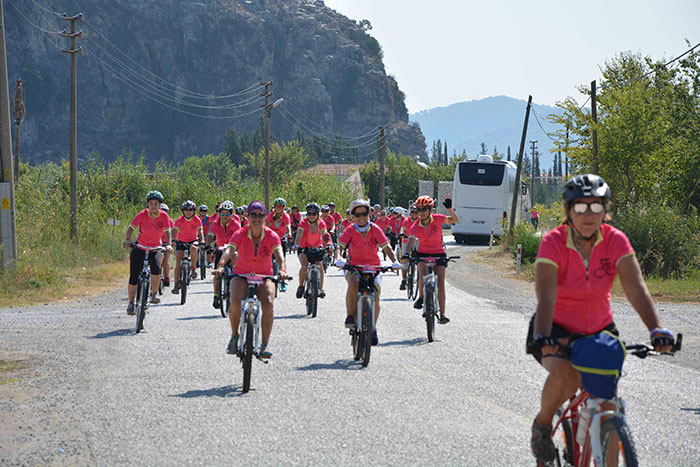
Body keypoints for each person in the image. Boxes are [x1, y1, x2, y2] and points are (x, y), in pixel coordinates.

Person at [526, 174, 674, 463]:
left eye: (596, 207)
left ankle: (606, 438)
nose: (588, 215)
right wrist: (543, 338)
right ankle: (542, 425)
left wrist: (656, 329)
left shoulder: (616, 240)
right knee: (568, 377)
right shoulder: (552, 242)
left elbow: (636, 288)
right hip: (555, 326)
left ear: (606, 210)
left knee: (607, 396)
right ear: (568, 211)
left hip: (599, 328)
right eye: (580, 207)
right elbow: (546, 296)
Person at [214, 201, 287, 359]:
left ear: (265, 217)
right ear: (247, 216)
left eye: (260, 215)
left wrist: (282, 269)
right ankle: (234, 336)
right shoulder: (240, 233)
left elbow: (279, 255)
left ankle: (265, 344)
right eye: (253, 215)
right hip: (241, 274)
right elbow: (229, 250)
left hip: (264, 275)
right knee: (235, 300)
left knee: (268, 301)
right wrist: (221, 265)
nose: (257, 218)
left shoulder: (271, 235)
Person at [335, 199, 400, 346]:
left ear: (369, 213)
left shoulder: (375, 229)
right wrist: (339, 258)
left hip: (374, 267)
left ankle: (372, 328)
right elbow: (340, 246)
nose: (361, 217)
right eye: (357, 215)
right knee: (353, 283)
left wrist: (394, 260)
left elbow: (386, 247)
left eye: (364, 213)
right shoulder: (350, 229)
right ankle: (350, 316)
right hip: (354, 267)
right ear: (353, 216)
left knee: (376, 296)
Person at [405, 195, 459, 324]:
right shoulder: (415, 226)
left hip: (439, 253)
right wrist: (406, 254)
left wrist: (450, 208)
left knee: (440, 283)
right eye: (418, 210)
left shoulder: (438, 219)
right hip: (423, 253)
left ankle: (442, 314)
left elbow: (455, 220)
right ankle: (422, 297)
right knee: (422, 274)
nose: (421, 212)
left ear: (430, 209)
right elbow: (410, 242)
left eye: (424, 209)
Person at [123, 191, 172, 313]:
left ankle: (154, 294)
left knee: (156, 268)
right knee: (134, 276)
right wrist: (127, 240)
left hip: (155, 247)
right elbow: (131, 228)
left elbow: (167, 232)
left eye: (156, 204)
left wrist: (169, 245)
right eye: (151, 203)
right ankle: (131, 302)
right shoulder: (142, 214)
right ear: (148, 204)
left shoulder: (164, 216)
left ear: (160, 205)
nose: (153, 206)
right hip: (140, 246)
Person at [293, 202, 332, 299]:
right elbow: (299, 234)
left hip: (317, 247)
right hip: (304, 248)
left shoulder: (321, 222)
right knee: (304, 266)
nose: (311, 216)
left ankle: (320, 289)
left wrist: (329, 244)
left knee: (320, 266)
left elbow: (325, 234)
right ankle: (301, 286)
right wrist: (296, 244)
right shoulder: (303, 222)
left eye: (314, 214)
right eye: (309, 214)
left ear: (318, 214)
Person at [206, 200, 241, 309]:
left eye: (227, 214)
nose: (224, 216)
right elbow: (210, 236)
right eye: (222, 213)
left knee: (235, 254)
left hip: (232, 248)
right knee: (217, 273)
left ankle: (236, 273)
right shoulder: (215, 223)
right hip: (220, 250)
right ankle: (216, 295)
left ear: (231, 215)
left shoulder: (235, 224)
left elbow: (240, 237)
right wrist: (207, 244)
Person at [171, 200, 204, 293]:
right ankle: (176, 285)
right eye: (186, 210)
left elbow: (200, 232)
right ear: (183, 211)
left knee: (194, 248)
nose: (188, 212)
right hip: (181, 241)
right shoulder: (179, 220)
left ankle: (193, 268)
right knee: (178, 263)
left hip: (193, 241)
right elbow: (174, 231)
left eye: (190, 210)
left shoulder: (197, 219)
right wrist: (172, 240)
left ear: (194, 211)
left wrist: (202, 240)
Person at [398, 204, 419, 290]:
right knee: (405, 262)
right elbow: (403, 228)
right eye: (412, 212)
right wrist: (402, 233)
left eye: (416, 212)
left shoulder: (420, 221)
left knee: (420, 260)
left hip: (417, 242)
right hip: (407, 242)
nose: (414, 214)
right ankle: (403, 280)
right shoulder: (407, 220)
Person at [159, 203, 175, 288]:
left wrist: (172, 241)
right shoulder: (155, 220)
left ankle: (167, 277)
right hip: (157, 242)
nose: (163, 212)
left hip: (166, 242)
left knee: (165, 260)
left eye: (164, 211)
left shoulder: (170, 221)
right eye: (161, 210)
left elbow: (173, 232)